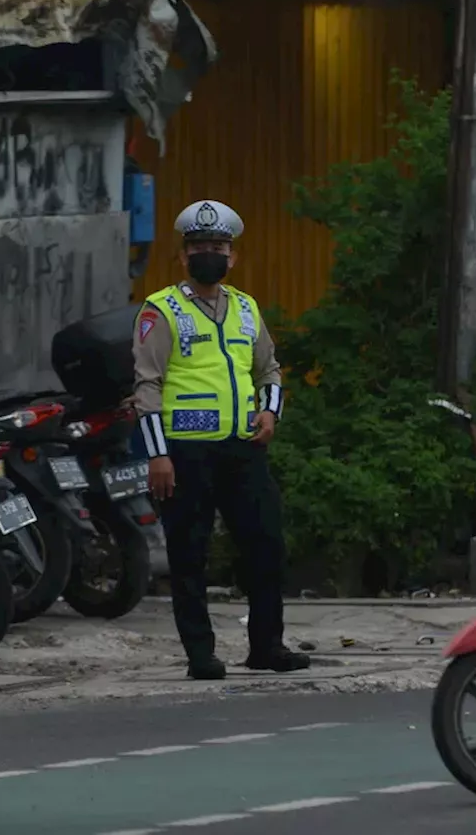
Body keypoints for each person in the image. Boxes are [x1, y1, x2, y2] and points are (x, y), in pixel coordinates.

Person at [131, 199, 310, 680]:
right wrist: (158, 455)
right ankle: (200, 655)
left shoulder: (247, 309)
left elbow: (269, 370)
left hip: (242, 450)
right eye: (199, 247)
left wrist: (270, 415)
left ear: (233, 257)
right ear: (183, 255)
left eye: (219, 247)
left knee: (266, 545)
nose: (209, 254)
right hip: (185, 455)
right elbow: (147, 386)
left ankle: (267, 647)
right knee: (189, 553)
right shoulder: (161, 310)